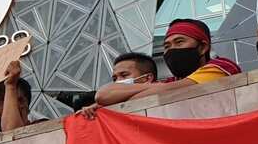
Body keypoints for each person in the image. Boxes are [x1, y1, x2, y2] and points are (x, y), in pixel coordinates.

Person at [95, 19, 240, 107]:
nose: (172, 50)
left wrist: (116, 101)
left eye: (179, 42)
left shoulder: (221, 67)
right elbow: (103, 94)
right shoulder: (171, 81)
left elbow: (147, 96)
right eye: (167, 46)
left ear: (203, 47)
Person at [78, 52, 158, 118]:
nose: (118, 81)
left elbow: (102, 96)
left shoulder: (165, 93)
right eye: (114, 78)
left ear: (147, 78)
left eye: (124, 75)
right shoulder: (106, 105)